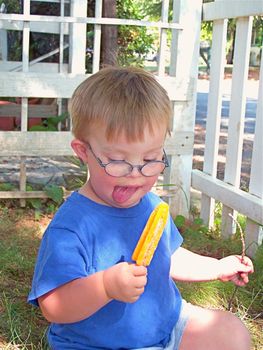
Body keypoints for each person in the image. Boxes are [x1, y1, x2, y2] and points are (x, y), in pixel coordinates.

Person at [28, 66, 254, 350]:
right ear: (84, 151)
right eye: (118, 160)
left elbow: (169, 254)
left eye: (150, 159)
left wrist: (217, 267)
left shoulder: (151, 206)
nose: (135, 173)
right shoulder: (72, 227)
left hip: (166, 326)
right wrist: (106, 286)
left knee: (231, 332)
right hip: (98, 344)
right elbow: (54, 305)